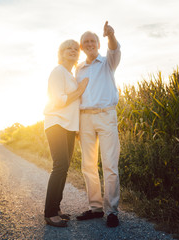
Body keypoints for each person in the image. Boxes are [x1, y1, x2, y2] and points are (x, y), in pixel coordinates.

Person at [75, 21, 121, 227]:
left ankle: (112, 210)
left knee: (110, 164)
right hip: (85, 118)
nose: (90, 43)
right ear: (81, 46)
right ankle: (95, 208)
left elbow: (114, 48)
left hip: (106, 116)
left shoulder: (108, 62)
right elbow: (76, 97)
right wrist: (76, 124)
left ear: (98, 44)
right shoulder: (79, 69)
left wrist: (110, 35)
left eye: (93, 40)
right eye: (86, 41)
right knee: (88, 165)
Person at [43, 39, 89, 227]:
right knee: (59, 166)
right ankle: (49, 212)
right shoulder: (58, 71)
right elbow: (59, 101)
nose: (72, 50)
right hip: (56, 124)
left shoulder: (71, 75)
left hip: (69, 127)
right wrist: (79, 91)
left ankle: (56, 208)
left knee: (65, 167)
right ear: (61, 53)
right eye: (68, 48)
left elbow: (74, 107)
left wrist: (76, 128)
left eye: (75, 49)